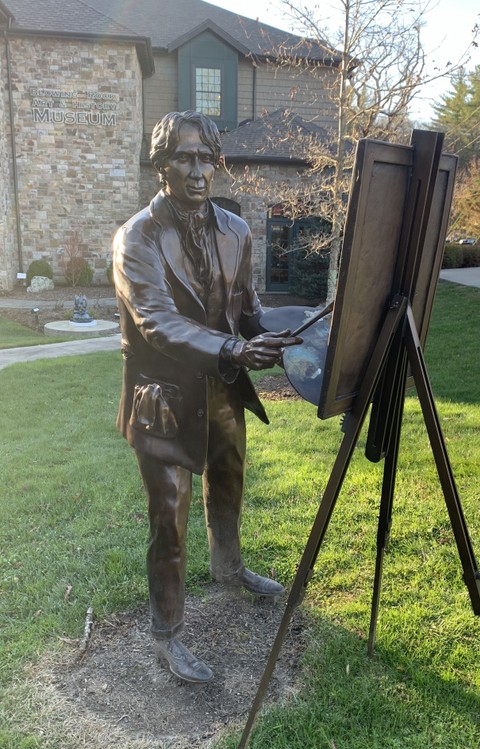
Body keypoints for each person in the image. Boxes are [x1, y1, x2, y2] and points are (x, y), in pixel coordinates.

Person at [112, 110, 301, 683]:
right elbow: (156, 323)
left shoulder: (236, 230)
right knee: (169, 518)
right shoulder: (136, 239)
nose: (198, 171)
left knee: (230, 483)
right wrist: (234, 350)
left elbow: (244, 308)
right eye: (183, 159)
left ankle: (229, 568)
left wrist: (277, 331)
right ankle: (167, 633)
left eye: (205, 159)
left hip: (222, 390)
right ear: (161, 167)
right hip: (163, 400)